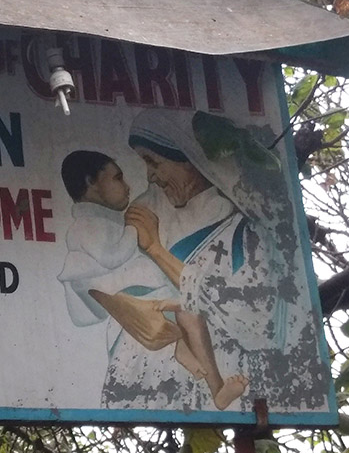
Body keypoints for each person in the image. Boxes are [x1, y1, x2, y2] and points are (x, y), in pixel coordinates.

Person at [105, 110, 327, 413]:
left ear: (188, 159)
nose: (150, 176)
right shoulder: (154, 212)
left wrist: (157, 250)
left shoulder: (241, 229)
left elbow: (254, 318)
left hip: (227, 386)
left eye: (154, 162)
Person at [57, 149, 247, 410]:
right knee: (187, 310)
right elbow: (113, 259)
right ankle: (191, 360)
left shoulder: (229, 216)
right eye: (118, 178)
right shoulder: (89, 226)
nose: (132, 184)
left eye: (154, 162)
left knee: (189, 312)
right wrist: (137, 234)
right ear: (91, 183)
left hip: (152, 304)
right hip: (133, 310)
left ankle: (206, 377)